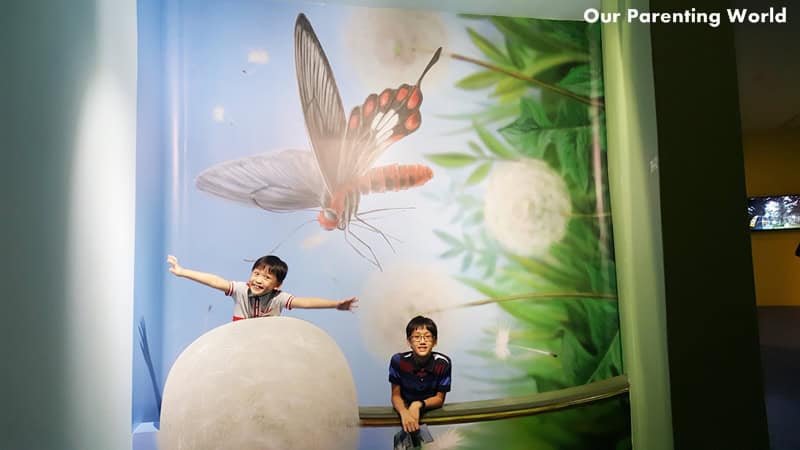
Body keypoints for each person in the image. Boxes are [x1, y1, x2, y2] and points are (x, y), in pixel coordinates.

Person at [166, 254, 357, 320]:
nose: (259, 279)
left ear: (277, 284)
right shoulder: (241, 289)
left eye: (267, 277)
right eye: (256, 273)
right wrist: (183, 272)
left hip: (267, 346)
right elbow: (215, 281)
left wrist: (335, 304)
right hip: (241, 344)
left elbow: (305, 302)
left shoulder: (278, 298)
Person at [389, 316, 451, 449]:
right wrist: (404, 412)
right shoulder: (398, 361)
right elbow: (395, 395)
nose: (422, 341)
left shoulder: (443, 363)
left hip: (428, 410)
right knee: (405, 443)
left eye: (427, 337)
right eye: (416, 337)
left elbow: (439, 399)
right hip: (405, 411)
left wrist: (418, 405)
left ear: (435, 341)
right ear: (409, 341)